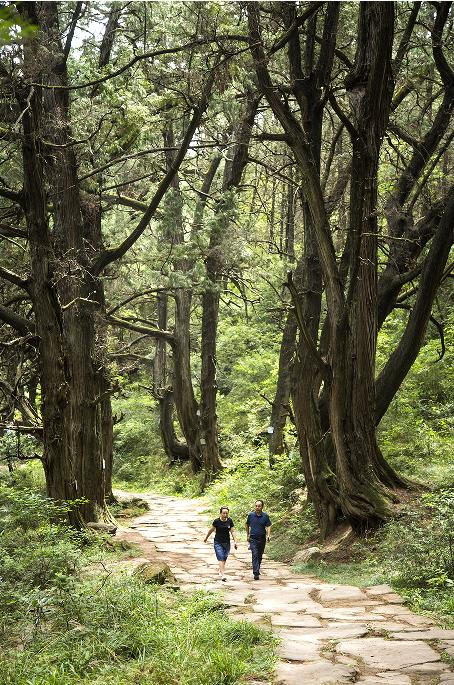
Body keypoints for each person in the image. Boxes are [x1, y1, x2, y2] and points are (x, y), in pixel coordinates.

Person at [204, 506, 238, 581]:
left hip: (226, 542)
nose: (225, 515)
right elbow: (211, 530)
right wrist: (206, 538)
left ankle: (220, 570)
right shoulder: (216, 521)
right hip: (218, 542)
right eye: (223, 513)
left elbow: (232, 531)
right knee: (220, 557)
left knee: (224, 557)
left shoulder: (229, 521)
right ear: (220, 513)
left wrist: (235, 541)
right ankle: (223, 575)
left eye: (226, 513)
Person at [246, 499, 271, 580]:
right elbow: (247, 524)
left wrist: (268, 535)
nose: (257, 507)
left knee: (260, 555)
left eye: (259, 506)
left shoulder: (265, 516)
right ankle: (256, 573)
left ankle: (257, 569)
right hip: (253, 538)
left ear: (262, 507)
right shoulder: (251, 515)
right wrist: (248, 534)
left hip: (262, 538)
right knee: (255, 554)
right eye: (256, 506)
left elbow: (268, 525)